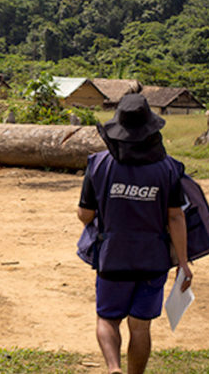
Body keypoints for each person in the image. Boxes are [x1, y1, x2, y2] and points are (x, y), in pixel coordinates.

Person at [77, 93, 192, 374]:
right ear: (151, 130)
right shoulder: (169, 169)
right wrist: (184, 263)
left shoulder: (98, 165)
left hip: (112, 257)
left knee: (107, 319)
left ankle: (113, 367)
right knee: (140, 327)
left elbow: (85, 214)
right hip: (152, 261)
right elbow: (176, 217)